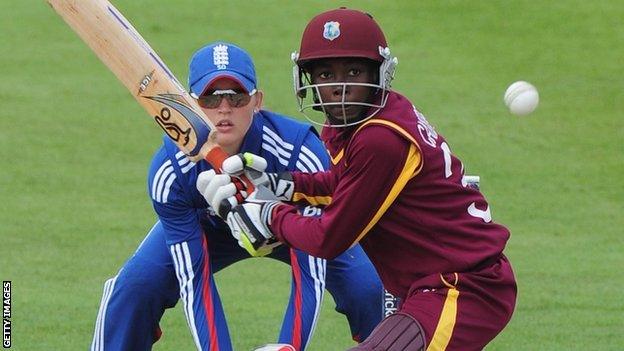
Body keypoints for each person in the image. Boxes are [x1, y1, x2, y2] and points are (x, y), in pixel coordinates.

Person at [201, 9, 517, 351]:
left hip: (465, 288)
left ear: (379, 73)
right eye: (325, 74)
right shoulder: (367, 118)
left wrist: (270, 216)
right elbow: (345, 183)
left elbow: (329, 238)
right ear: (308, 79)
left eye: (354, 71)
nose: (339, 87)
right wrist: (284, 184)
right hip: (431, 285)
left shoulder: (380, 139)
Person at [90, 41, 385, 351]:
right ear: (190, 105)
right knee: (135, 287)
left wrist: (289, 347)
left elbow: (311, 272)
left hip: (293, 228)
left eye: (237, 96)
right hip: (207, 230)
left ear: (257, 101)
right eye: (210, 98)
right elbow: (195, 282)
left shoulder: (300, 153)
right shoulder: (171, 171)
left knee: (371, 288)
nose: (224, 108)